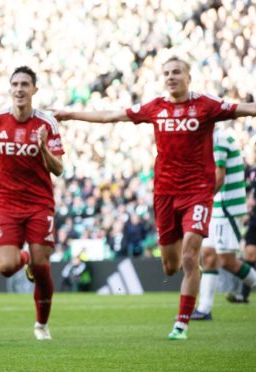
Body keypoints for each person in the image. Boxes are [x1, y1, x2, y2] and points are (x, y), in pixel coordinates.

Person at [54, 56, 256, 340]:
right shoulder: (155, 108)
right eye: (167, 73)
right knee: (171, 266)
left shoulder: (206, 105)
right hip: (164, 195)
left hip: (197, 192)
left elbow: (246, 109)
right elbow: (111, 116)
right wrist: (70, 114)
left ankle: (181, 324)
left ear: (189, 77)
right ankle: (190, 277)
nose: (171, 77)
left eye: (176, 72)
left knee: (189, 255)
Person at [0, 66, 64, 341]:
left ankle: (41, 324)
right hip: (6, 204)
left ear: (34, 89)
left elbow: (59, 169)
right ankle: (24, 258)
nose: (20, 89)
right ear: (10, 88)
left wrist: (44, 149)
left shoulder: (47, 124)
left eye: (25, 84)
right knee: (5, 266)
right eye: (15, 84)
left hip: (39, 204)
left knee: (42, 265)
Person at [192, 128, 256, 319]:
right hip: (217, 206)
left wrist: (203, 199)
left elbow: (219, 177)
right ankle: (204, 309)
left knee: (226, 261)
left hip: (226, 206)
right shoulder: (209, 138)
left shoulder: (218, 138)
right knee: (208, 256)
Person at [228, 154, 256, 303]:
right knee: (249, 255)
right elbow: (242, 187)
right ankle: (244, 295)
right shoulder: (251, 171)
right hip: (254, 219)